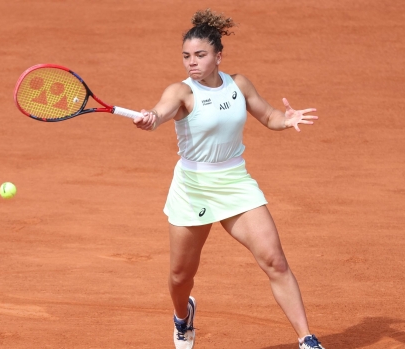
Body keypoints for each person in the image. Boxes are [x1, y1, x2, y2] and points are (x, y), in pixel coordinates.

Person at [133, 8, 324, 349]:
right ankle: (182, 317)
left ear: (218, 56)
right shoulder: (181, 92)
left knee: (275, 260)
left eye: (200, 55)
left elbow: (268, 115)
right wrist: (152, 118)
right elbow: (161, 112)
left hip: (235, 182)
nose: (192, 62)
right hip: (193, 189)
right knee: (181, 277)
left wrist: (286, 118)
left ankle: (307, 339)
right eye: (186, 56)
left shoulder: (239, 84)